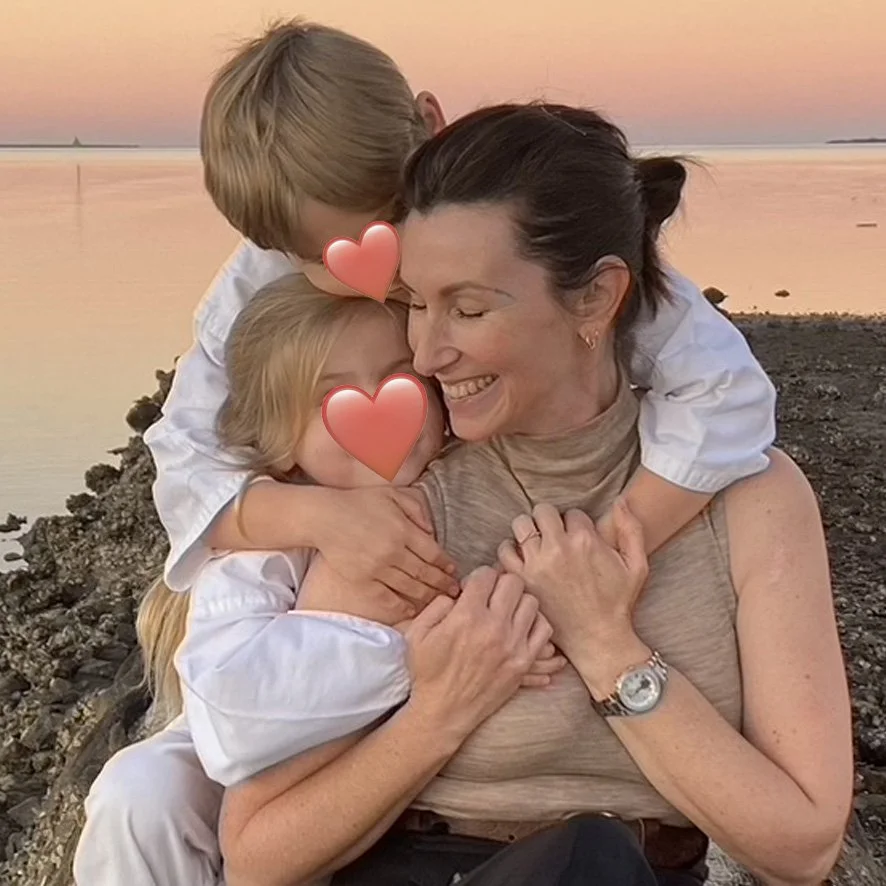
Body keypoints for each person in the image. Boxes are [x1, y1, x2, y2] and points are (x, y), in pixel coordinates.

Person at [215, 104, 855, 886]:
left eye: (470, 307)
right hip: (422, 868)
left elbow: (803, 846)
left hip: (631, 875)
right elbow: (255, 856)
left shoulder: (752, 501)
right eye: (416, 300)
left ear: (595, 298)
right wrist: (440, 713)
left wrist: (608, 649)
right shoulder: (403, 508)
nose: (426, 351)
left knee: (594, 862)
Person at [72, 276, 563, 886]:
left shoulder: (474, 487)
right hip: (253, 752)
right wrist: (415, 654)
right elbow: (233, 722)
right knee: (138, 793)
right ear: (283, 446)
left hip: (380, 782)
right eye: (333, 400)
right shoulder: (270, 544)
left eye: (398, 378)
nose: (378, 408)